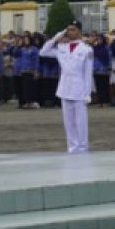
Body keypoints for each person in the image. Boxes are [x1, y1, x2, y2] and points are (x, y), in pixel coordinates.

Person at [40, 21, 94, 154]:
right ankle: (72, 148)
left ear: (80, 32)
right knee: (68, 123)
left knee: (81, 122)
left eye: (73, 30)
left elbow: (88, 73)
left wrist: (88, 93)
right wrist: (57, 36)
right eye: (68, 30)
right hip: (65, 88)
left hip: (80, 89)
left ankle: (83, 148)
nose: (70, 32)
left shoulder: (86, 49)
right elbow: (43, 52)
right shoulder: (62, 47)